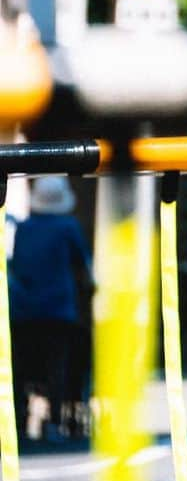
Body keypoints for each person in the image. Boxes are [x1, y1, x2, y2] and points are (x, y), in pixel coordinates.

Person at [9, 175, 93, 442]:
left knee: (21, 365)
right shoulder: (68, 227)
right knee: (57, 364)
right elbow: (83, 266)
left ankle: (20, 418)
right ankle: (55, 421)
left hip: (23, 308)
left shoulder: (24, 227)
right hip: (57, 308)